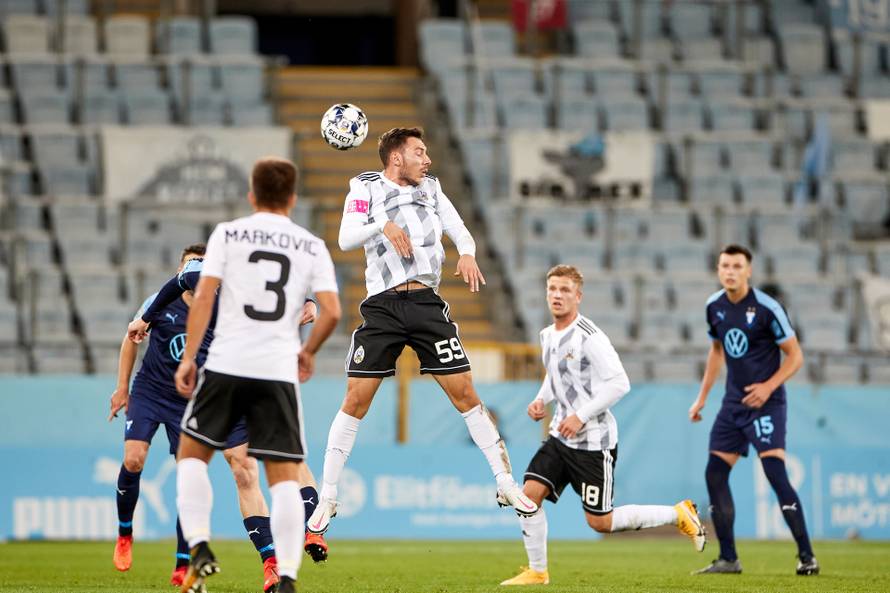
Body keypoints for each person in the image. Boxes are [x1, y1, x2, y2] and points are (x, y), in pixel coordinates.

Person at [307, 127, 537, 536]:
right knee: (356, 400)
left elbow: (458, 227)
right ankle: (327, 496)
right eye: (419, 152)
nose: (427, 159)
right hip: (383, 307)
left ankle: (504, 482)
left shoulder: (431, 187)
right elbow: (344, 238)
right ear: (396, 158)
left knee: (465, 393)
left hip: (427, 305)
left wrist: (466, 253)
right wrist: (382, 225)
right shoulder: (364, 186)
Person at [170, 157, 341, 593]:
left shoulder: (227, 234)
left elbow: (204, 298)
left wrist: (190, 357)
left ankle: (200, 544)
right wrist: (308, 351)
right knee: (284, 475)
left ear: (252, 195)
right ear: (293, 198)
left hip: (227, 363)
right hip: (276, 371)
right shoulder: (309, 245)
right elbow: (333, 311)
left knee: (191, 456)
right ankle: (286, 576)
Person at [109, 243, 310, 592]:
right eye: (190, 269)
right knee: (137, 458)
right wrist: (122, 387)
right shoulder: (159, 301)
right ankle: (129, 534)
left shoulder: (226, 305)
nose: (195, 276)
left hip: (204, 396)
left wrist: (302, 309)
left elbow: (263, 321)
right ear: (180, 273)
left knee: (243, 470)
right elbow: (131, 338)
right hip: (154, 392)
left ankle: (268, 563)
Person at [500, 265, 706, 586]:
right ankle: (538, 571)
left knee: (600, 522)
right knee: (528, 497)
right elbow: (556, 378)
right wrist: (542, 399)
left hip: (593, 443)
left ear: (578, 296)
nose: (557, 295)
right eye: (552, 288)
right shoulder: (547, 335)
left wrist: (580, 415)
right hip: (559, 437)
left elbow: (619, 383)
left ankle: (678, 514)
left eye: (565, 290)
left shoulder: (589, 337)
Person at [688, 244, 818, 576]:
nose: (729, 271)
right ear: (718, 270)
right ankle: (728, 558)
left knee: (775, 474)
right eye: (724, 266)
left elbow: (796, 356)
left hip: (767, 404)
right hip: (733, 404)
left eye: (736, 266)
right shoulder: (713, 306)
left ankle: (807, 556)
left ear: (748, 271)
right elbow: (717, 350)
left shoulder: (766, 308)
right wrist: (702, 397)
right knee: (714, 473)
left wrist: (768, 387)